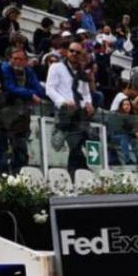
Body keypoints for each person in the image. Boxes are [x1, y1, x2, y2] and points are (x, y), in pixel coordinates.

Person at [45, 40, 95, 177]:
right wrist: (63, 101)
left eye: (77, 52)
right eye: (71, 50)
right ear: (67, 52)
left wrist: (88, 103)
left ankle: (76, 171)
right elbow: (49, 89)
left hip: (80, 112)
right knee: (70, 142)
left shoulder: (82, 72)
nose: (74, 54)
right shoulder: (56, 67)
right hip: (65, 111)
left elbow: (85, 93)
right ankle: (78, 170)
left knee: (79, 141)